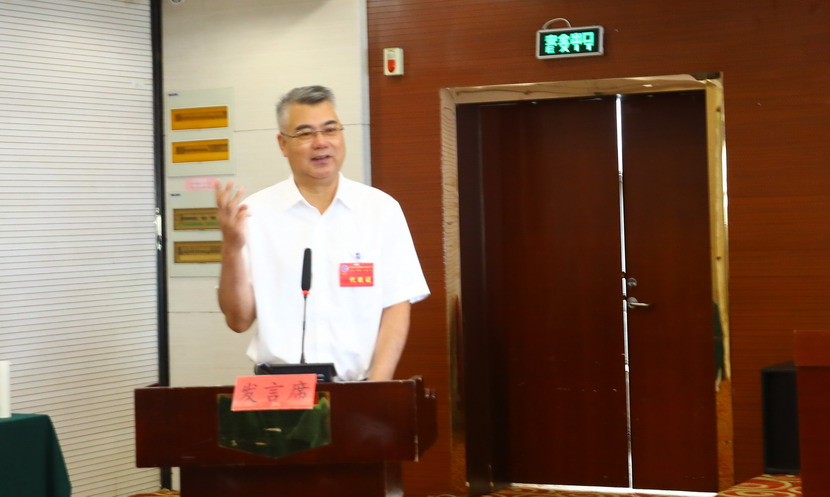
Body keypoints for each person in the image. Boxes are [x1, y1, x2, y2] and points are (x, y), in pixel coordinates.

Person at [215, 85, 429, 381]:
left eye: (330, 130)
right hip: (278, 390)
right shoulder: (254, 213)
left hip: (358, 387)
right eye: (305, 133)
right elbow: (238, 320)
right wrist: (231, 247)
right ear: (282, 144)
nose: (321, 142)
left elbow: (396, 305)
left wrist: (378, 388)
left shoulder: (380, 210)